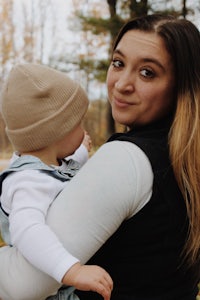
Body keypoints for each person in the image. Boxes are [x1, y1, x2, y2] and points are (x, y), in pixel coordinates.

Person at [0, 13, 200, 300]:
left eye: (147, 72)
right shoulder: (183, 159)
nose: (121, 84)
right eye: (118, 63)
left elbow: (24, 284)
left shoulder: (127, 160)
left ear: (181, 86)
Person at [0, 63, 113, 300]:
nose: (83, 130)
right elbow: (28, 230)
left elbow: (61, 170)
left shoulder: (43, 166)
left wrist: (80, 153)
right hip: (50, 292)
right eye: (78, 124)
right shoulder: (27, 182)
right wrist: (72, 270)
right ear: (56, 132)